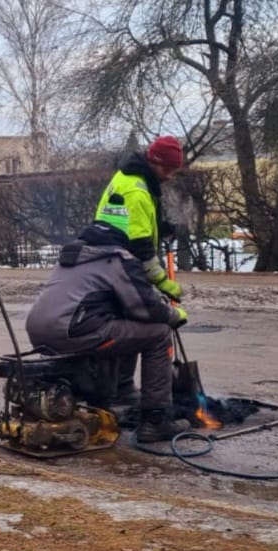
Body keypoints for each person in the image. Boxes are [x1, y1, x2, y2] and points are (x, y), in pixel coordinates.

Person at [24, 212, 191, 442]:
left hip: (40, 331)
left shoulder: (77, 256)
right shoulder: (117, 258)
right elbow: (144, 307)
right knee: (158, 334)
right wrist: (174, 315)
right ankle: (155, 420)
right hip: (73, 331)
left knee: (122, 328)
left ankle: (114, 396)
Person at [93, 135, 185, 407]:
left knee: (128, 325)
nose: (169, 176)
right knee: (139, 327)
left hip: (111, 261)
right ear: (154, 162)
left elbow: (131, 224)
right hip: (120, 266)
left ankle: (120, 389)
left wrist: (160, 227)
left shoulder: (132, 178)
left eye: (174, 171)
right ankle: (124, 394)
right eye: (167, 169)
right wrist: (163, 282)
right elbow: (141, 248)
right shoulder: (137, 191)